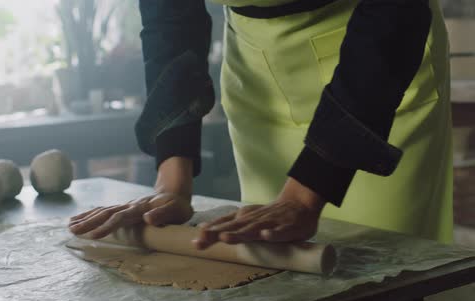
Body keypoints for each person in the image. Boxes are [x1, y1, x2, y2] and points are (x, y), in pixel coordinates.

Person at [69, 0, 453, 247]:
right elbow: (170, 16)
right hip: (255, 72)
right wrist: (172, 183)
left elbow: (395, 13)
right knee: (274, 267)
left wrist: (304, 196)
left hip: (376, 69)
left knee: (373, 281)